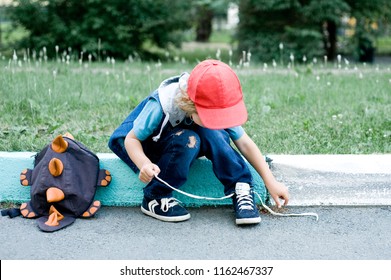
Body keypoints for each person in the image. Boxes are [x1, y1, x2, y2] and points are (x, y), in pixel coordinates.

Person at [108, 59, 289, 225]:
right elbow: (131, 140)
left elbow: (244, 143)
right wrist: (144, 164)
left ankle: (240, 188)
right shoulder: (162, 103)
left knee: (213, 133)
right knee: (190, 138)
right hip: (151, 147)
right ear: (190, 104)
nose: (219, 120)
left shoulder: (214, 100)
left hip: (185, 142)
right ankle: (156, 195)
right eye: (213, 115)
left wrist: (270, 181)